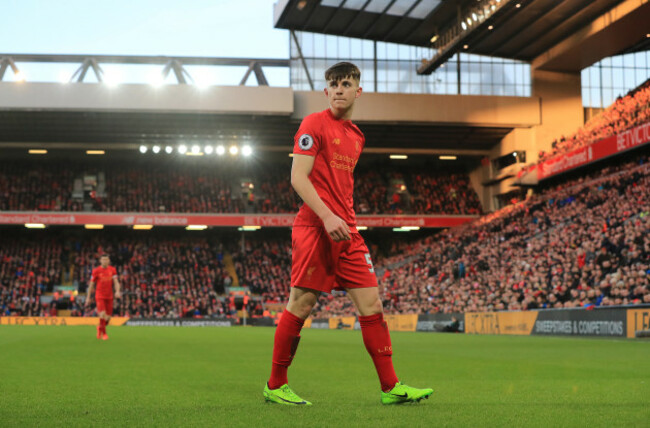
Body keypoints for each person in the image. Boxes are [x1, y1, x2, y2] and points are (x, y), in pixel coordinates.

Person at [263, 62, 433, 406]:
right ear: (326, 92)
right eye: (333, 84)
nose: (339, 89)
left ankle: (391, 387)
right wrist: (327, 216)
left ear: (358, 90)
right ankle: (275, 384)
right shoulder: (313, 123)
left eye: (346, 83)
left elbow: (341, 185)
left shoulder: (357, 136)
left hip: (348, 231)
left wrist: (343, 220)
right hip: (316, 225)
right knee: (302, 303)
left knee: (373, 305)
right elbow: (298, 177)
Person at [85, 254, 121, 340]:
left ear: (109, 261)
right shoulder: (96, 271)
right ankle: (104, 334)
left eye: (106, 259)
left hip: (109, 296)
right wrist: (88, 297)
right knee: (102, 314)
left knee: (107, 318)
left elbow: (116, 282)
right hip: (99, 295)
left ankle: (100, 328)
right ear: (100, 261)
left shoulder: (112, 270)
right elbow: (91, 285)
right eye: (103, 259)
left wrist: (117, 291)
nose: (105, 261)